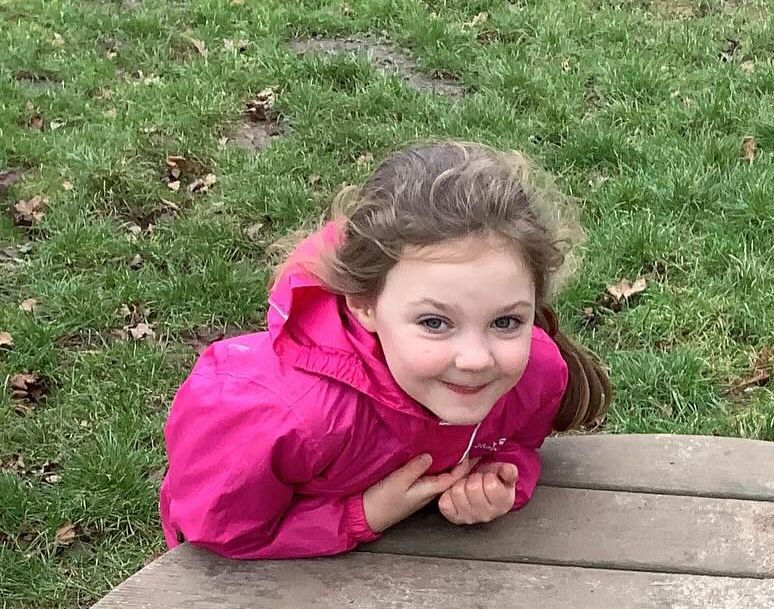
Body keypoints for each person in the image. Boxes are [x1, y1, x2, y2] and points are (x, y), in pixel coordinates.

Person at [161, 141, 610, 559]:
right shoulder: (282, 416)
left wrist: (499, 475)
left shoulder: (536, 373)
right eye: (435, 323)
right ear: (365, 306)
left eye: (506, 322)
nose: (476, 359)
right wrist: (362, 515)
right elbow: (212, 532)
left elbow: (519, 441)